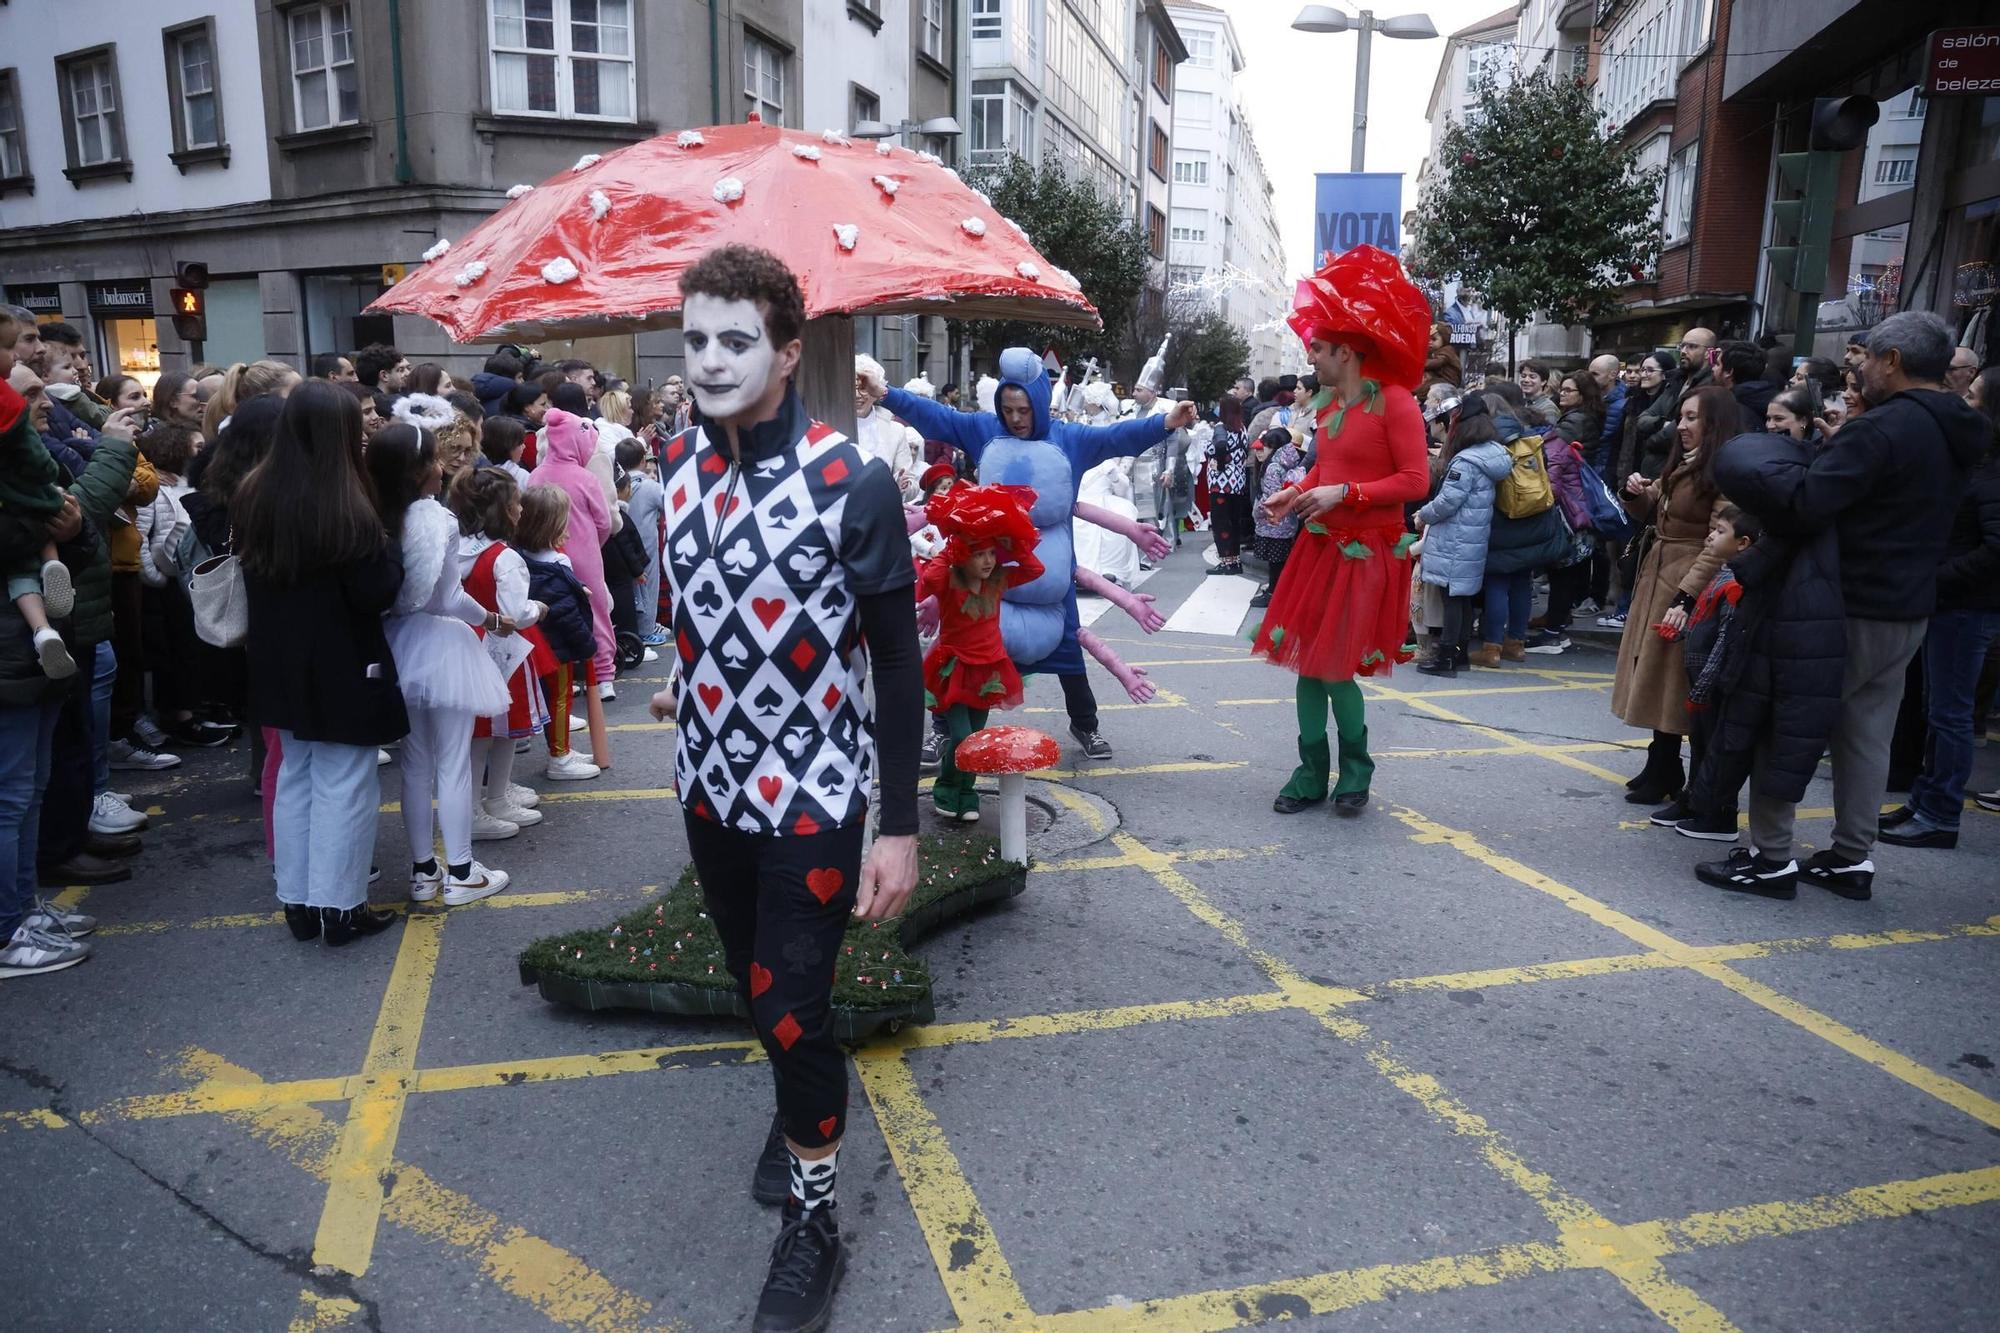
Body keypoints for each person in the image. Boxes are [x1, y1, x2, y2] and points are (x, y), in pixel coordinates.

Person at [644, 243, 921, 1333]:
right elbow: (693, 609)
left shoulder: (849, 480)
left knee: (788, 1006)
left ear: (787, 349)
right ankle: (790, 1106)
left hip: (811, 785)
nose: (710, 360)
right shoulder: (674, 467)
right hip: (707, 782)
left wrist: (895, 828)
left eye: (734, 340)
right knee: (751, 986)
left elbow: (895, 664)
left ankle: (813, 1222)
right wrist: (685, 676)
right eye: (695, 339)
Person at [1710, 312, 1984, 897]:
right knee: (1866, 735)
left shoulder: (1882, 429)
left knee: (1786, 723)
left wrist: (1764, 471)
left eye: (1867, 360)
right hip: (1908, 604)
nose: (1858, 371)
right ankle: (1851, 857)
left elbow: (1810, 502)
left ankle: (1771, 856)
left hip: (1842, 603)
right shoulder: (1960, 425)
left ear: (1894, 362)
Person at [868, 348, 1194, 760]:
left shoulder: (1068, 439)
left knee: (1070, 658)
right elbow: (938, 418)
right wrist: (887, 393)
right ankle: (944, 731)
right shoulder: (986, 431)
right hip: (985, 576)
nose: (1015, 418)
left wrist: (1167, 422)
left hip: (1050, 579)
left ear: (1038, 404)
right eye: (1007, 409)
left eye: (1023, 409)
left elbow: (1117, 438)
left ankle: (1085, 725)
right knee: (963, 657)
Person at [1252, 244, 1430, 815]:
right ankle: (1311, 772)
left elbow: (1415, 480)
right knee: (1308, 665)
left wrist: (1343, 494)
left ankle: (1355, 772)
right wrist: (1298, 491)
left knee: (1333, 669)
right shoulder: (1331, 406)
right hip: (1322, 547)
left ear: (1347, 353)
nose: (1312, 360)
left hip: (1370, 551)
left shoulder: (1396, 403)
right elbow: (1329, 469)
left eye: (1319, 350)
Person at [236, 382, 409, 946]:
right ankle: (341, 905)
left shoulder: (256, 491)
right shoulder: (346, 504)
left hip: (278, 658)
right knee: (346, 783)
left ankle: (300, 901)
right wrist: (390, 547)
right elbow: (374, 592)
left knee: (297, 777)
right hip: (342, 660)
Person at [369, 421, 513, 904]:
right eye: (433, 459)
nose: (443, 466)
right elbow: (448, 598)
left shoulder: (378, 512)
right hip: (441, 642)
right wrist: (492, 618)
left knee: (414, 763)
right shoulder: (436, 519)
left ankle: (423, 871)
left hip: (397, 642)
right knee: (452, 762)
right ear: (415, 470)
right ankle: (463, 871)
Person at [1875, 363, 2000, 851]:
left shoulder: (1992, 474)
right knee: (1936, 708)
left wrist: (1937, 576)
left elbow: (1994, 547)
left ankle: (1941, 812)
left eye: (1972, 397)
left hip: (1965, 606)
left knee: (1950, 713)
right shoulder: (1978, 463)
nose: (1964, 404)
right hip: (1951, 602)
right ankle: (1925, 801)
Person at [1611, 385, 1734, 806]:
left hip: (1684, 579)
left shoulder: (1722, 471)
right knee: (1651, 672)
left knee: (1671, 678)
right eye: (1681, 417)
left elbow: (1719, 543)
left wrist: (1686, 596)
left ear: (1714, 423)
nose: (1681, 426)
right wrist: (1635, 494)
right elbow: (1655, 512)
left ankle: (1669, 766)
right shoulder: (1687, 462)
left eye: (1692, 418)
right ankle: (1661, 761)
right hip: (1658, 570)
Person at [920, 485, 1044, 822]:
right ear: (963, 555)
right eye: (979, 554)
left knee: (977, 738)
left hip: (989, 668)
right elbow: (929, 580)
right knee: (961, 734)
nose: (988, 561)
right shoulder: (950, 580)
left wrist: (1015, 542)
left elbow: (1035, 570)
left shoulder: (998, 580)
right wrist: (952, 544)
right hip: (957, 667)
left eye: (991, 553)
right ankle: (946, 788)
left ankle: (966, 793)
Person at [449, 467, 549, 833]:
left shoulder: (456, 547)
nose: (521, 509)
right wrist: (537, 609)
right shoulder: (504, 558)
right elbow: (516, 614)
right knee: (495, 731)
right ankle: (481, 806)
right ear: (504, 510)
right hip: (501, 650)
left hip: (466, 645)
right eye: (517, 503)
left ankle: (493, 797)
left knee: (488, 731)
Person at [1413, 398, 1511, 678]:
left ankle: (1445, 658)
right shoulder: (1492, 454)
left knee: (1452, 600)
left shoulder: (1466, 461)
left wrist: (1423, 514)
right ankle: (1460, 655)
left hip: (1455, 538)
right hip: (1472, 537)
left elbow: (1447, 502)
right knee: (1463, 599)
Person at [530, 406, 618, 704]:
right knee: (596, 612)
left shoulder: (536, 475)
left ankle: (569, 674)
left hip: (545, 555)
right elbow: (604, 521)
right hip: (586, 554)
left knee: (554, 614)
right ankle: (603, 674)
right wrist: (594, 541)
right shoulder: (585, 477)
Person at [513, 485, 600, 781]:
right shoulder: (557, 563)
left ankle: (562, 749)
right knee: (560, 698)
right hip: (558, 645)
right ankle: (559, 756)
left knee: (552, 697)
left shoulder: (519, 556)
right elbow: (568, 614)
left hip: (535, 641)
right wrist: (588, 645)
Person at [1527, 369, 1607, 653]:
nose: (1563, 393)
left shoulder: (1574, 422)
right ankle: (1557, 623)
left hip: (1571, 507)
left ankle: (1554, 632)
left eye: (1569, 390)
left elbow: (1555, 468)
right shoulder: (1579, 417)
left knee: (1564, 568)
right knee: (1569, 568)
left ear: (1583, 395)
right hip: (1579, 504)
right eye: (1562, 389)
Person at [1250, 420, 1309, 610]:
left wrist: (1258, 512)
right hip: (1287, 522)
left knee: (1275, 561)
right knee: (1280, 560)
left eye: (1265, 446)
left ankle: (1274, 593)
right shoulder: (1291, 462)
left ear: (1272, 447)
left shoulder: (1274, 467)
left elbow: (1270, 496)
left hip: (1272, 521)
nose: (1262, 451)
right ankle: (1277, 590)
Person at [614, 439, 667, 648]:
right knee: (649, 586)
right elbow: (668, 504)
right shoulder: (650, 486)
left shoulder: (615, 483)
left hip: (621, 540)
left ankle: (633, 628)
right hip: (646, 544)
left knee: (629, 587)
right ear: (643, 460)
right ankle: (646, 630)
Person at [853, 355, 923, 501]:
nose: (857, 395)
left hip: (881, 513)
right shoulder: (830, 425)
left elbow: (912, 484)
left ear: (875, 391)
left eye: (863, 389)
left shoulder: (895, 430)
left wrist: (903, 486)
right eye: (852, 388)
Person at [1205, 395, 1252, 576]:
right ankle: (1235, 560)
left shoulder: (1220, 428)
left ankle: (1226, 562)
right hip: (1238, 481)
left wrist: (1220, 463)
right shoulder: (1242, 429)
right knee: (1233, 522)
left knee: (1221, 523)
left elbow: (1220, 445)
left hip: (1221, 483)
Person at [1714, 340, 1773, 436]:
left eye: (1717, 364)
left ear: (1729, 372)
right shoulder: (1771, 397)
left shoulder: (1728, 408)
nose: (1712, 368)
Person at [1515, 361, 1557, 425]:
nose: (1526, 380)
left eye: (1532, 377)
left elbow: (1549, 433)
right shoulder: (1521, 403)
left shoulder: (1548, 408)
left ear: (1543, 382)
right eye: (1523, 376)